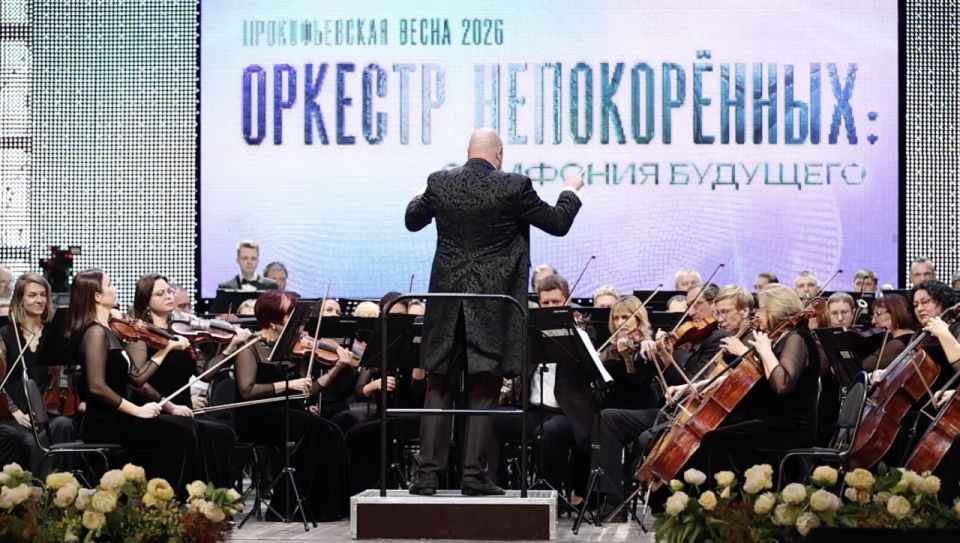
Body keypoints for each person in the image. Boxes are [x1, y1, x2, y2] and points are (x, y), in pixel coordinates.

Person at [405, 128, 583, 496]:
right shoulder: (514, 185)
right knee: (484, 385)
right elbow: (558, 223)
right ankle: (473, 475)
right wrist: (571, 189)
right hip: (491, 305)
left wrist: (423, 193)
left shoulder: (440, 182)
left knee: (438, 383)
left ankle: (426, 476)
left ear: (467, 151)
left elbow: (412, 219)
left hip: (446, 304)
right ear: (499, 155)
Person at [67, 269, 200, 495]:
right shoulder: (94, 333)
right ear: (97, 296)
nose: (114, 289)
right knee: (177, 433)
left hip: (118, 419)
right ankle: (161, 499)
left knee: (181, 429)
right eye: (109, 285)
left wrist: (166, 348)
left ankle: (168, 499)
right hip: (104, 422)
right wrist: (137, 410)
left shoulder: (110, 331)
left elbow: (137, 377)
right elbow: (96, 386)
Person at [231, 289, 348, 521]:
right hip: (255, 415)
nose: (299, 322)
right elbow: (247, 391)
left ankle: (329, 505)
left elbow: (307, 391)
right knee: (315, 428)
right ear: (273, 321)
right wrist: (287, 384)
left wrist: (336, 368)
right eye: (291, 315)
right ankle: (294, 505)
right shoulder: (249, 346)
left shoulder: (293, 347)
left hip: (286, 412)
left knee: (332, 430)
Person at [125, 273, 245, 488]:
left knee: (223, 433)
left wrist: (229, 348)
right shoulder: (140, 334)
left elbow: (205, 373)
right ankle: (183, 494)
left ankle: (213, 498)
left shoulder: (183, 331)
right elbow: (138, 382)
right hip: (153, 410)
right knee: (188, 431)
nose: (168, 296)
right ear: (146, 302)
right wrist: (170, 406)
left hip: (184, 409)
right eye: (160, 294)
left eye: (169, 291)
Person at [0, 273, 76, 473]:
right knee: (24, 440)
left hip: (49, 409)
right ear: (20, 299)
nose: (40, 300)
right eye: (32, 295)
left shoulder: (55, 332)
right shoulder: (6, 334)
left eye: (43, 295)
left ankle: (61, 485)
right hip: (17, 414)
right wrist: (15, 412)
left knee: (64, 425)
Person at [861, 294, 914, 372]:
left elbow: (864, 366)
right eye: (873, 315)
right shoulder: (893, 338)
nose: (873, 321)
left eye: (878, 314)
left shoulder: (897, 344)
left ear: (895, 313)